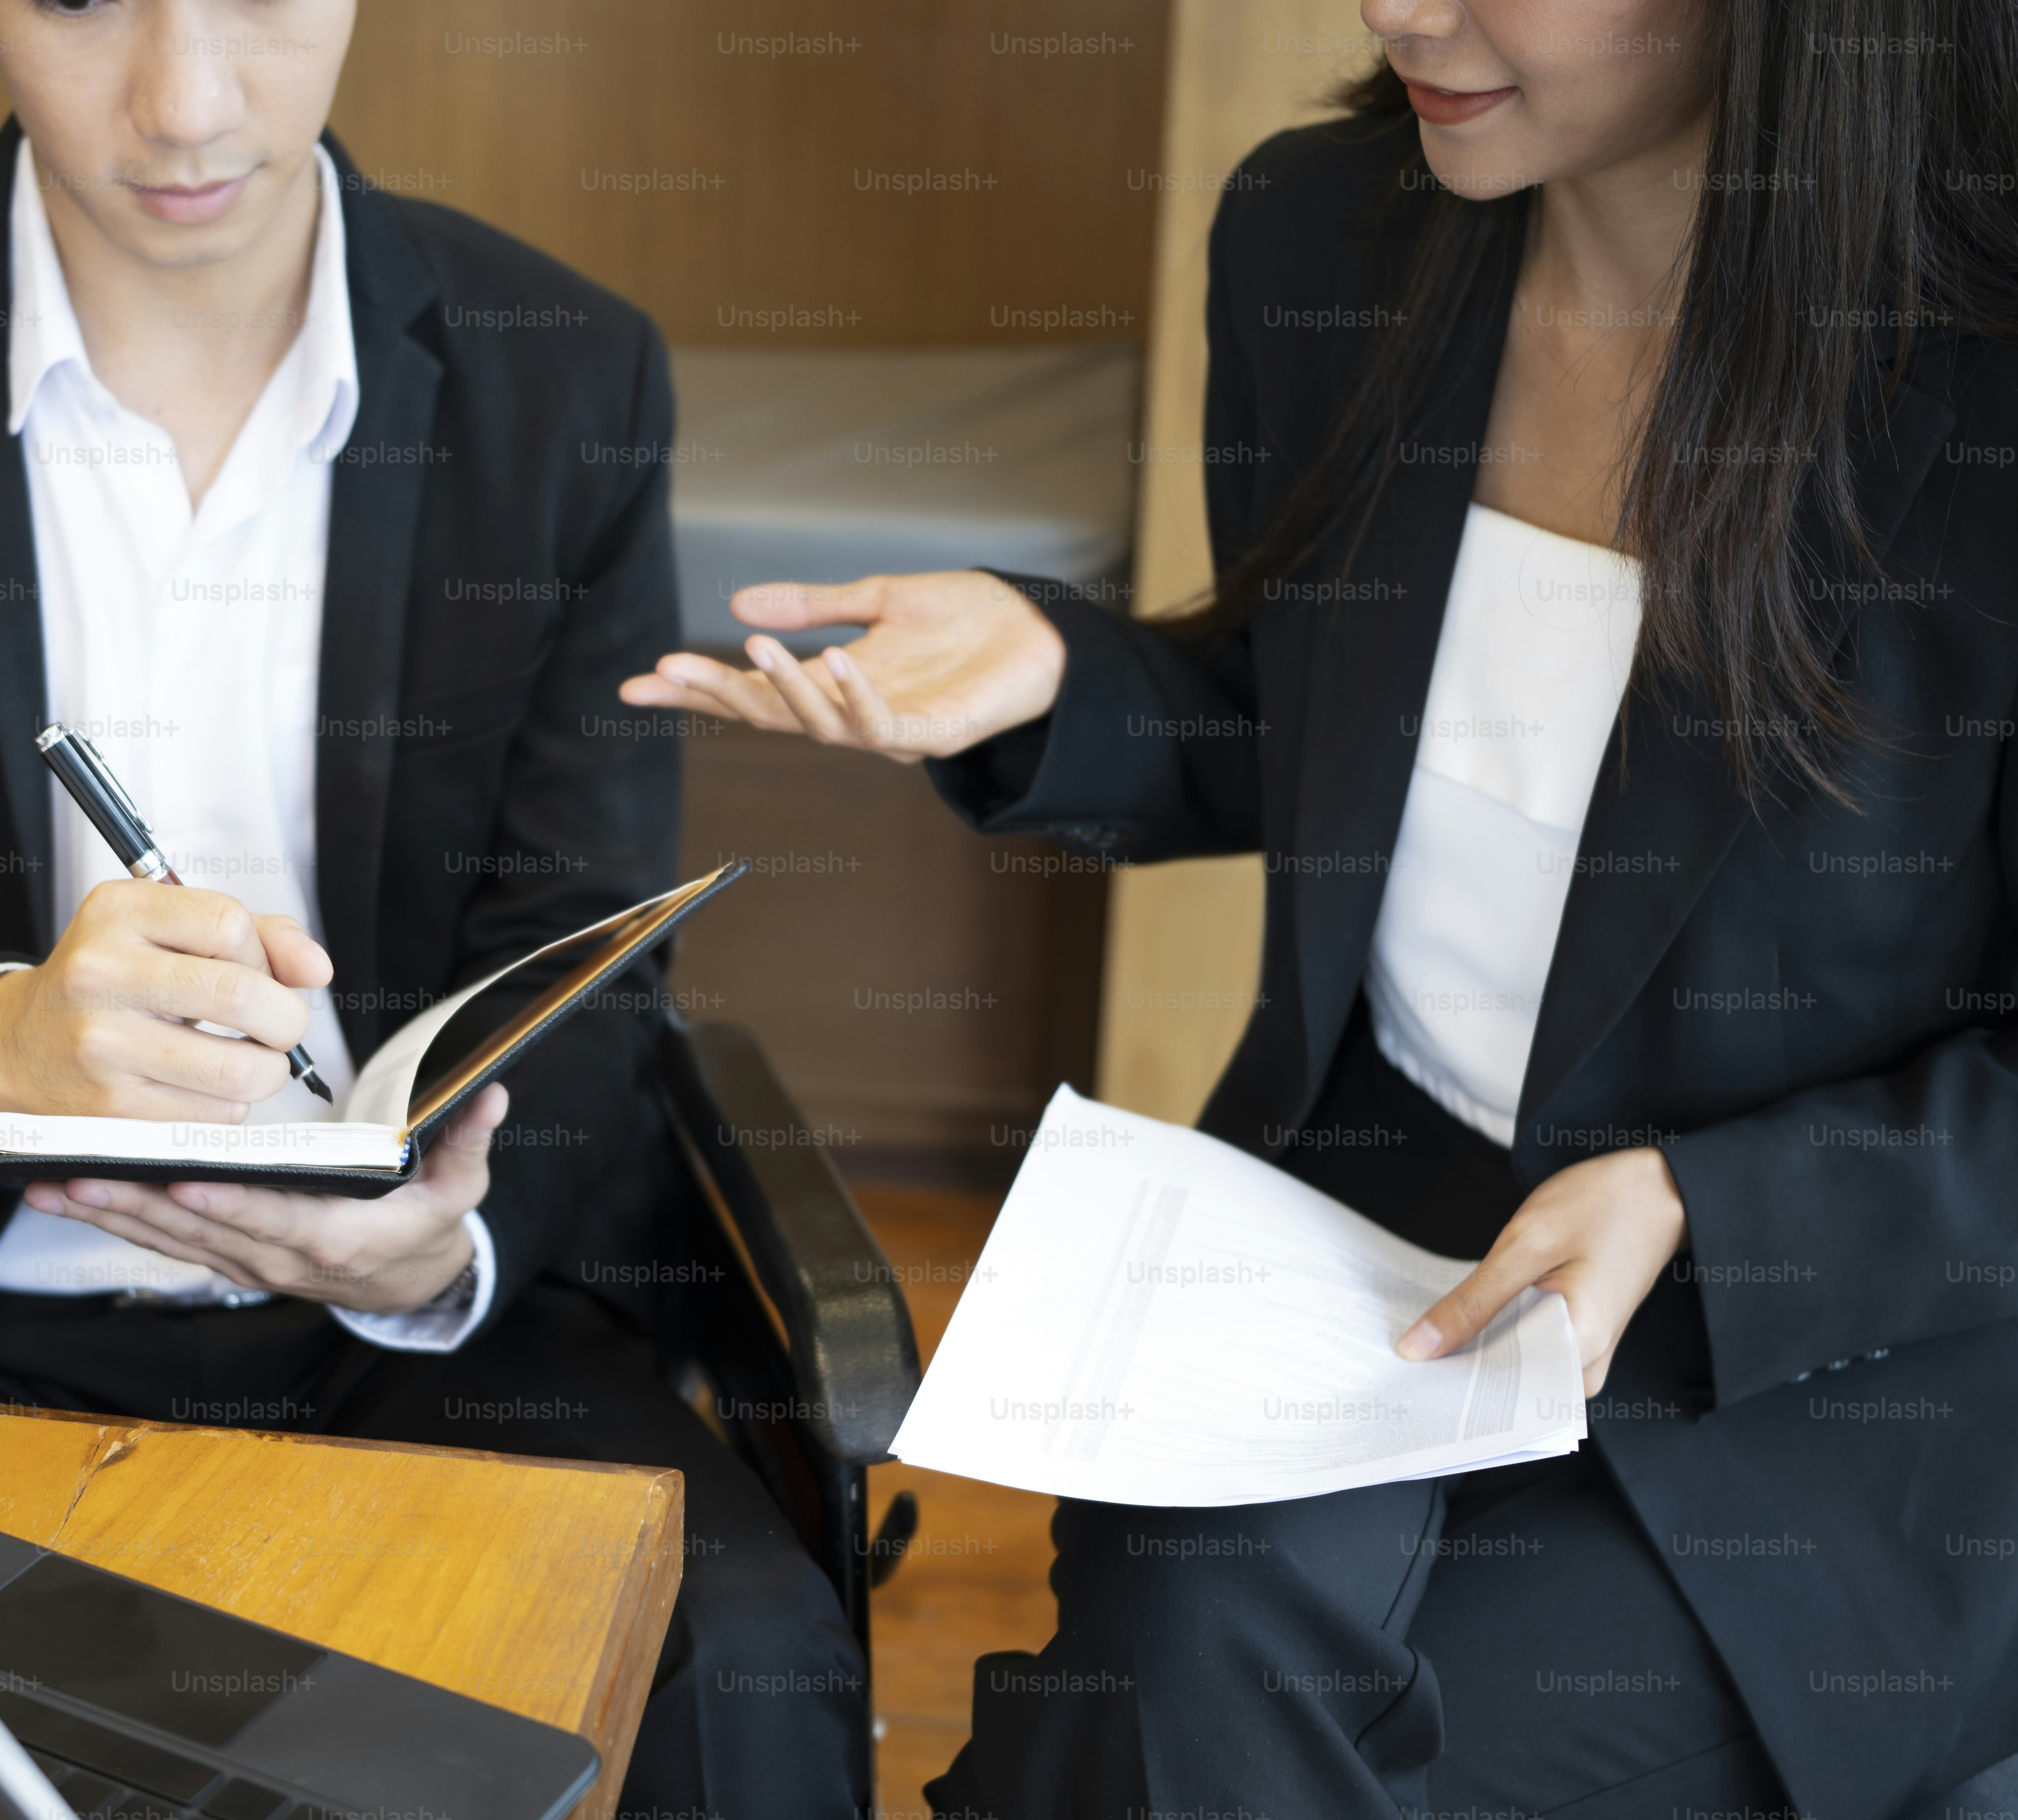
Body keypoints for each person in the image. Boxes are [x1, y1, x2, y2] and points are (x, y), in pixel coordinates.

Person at [624, 1, 2018, 1813]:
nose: (1400, 10)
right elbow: (1362, 738)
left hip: (1839, 1358)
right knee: (1193, 1658)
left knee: (1221, 1726)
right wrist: (1059, 671)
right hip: (1375, 1244)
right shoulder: (1328, 232)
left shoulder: (1978, 369)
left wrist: (1710, 1203)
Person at [0, 1, 865, 1812]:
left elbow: (588, 961)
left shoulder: (569, 378)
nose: (184, 104)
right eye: (85, 2)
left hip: (410, 1331)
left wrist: (441, 1252)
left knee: (754, 1668)